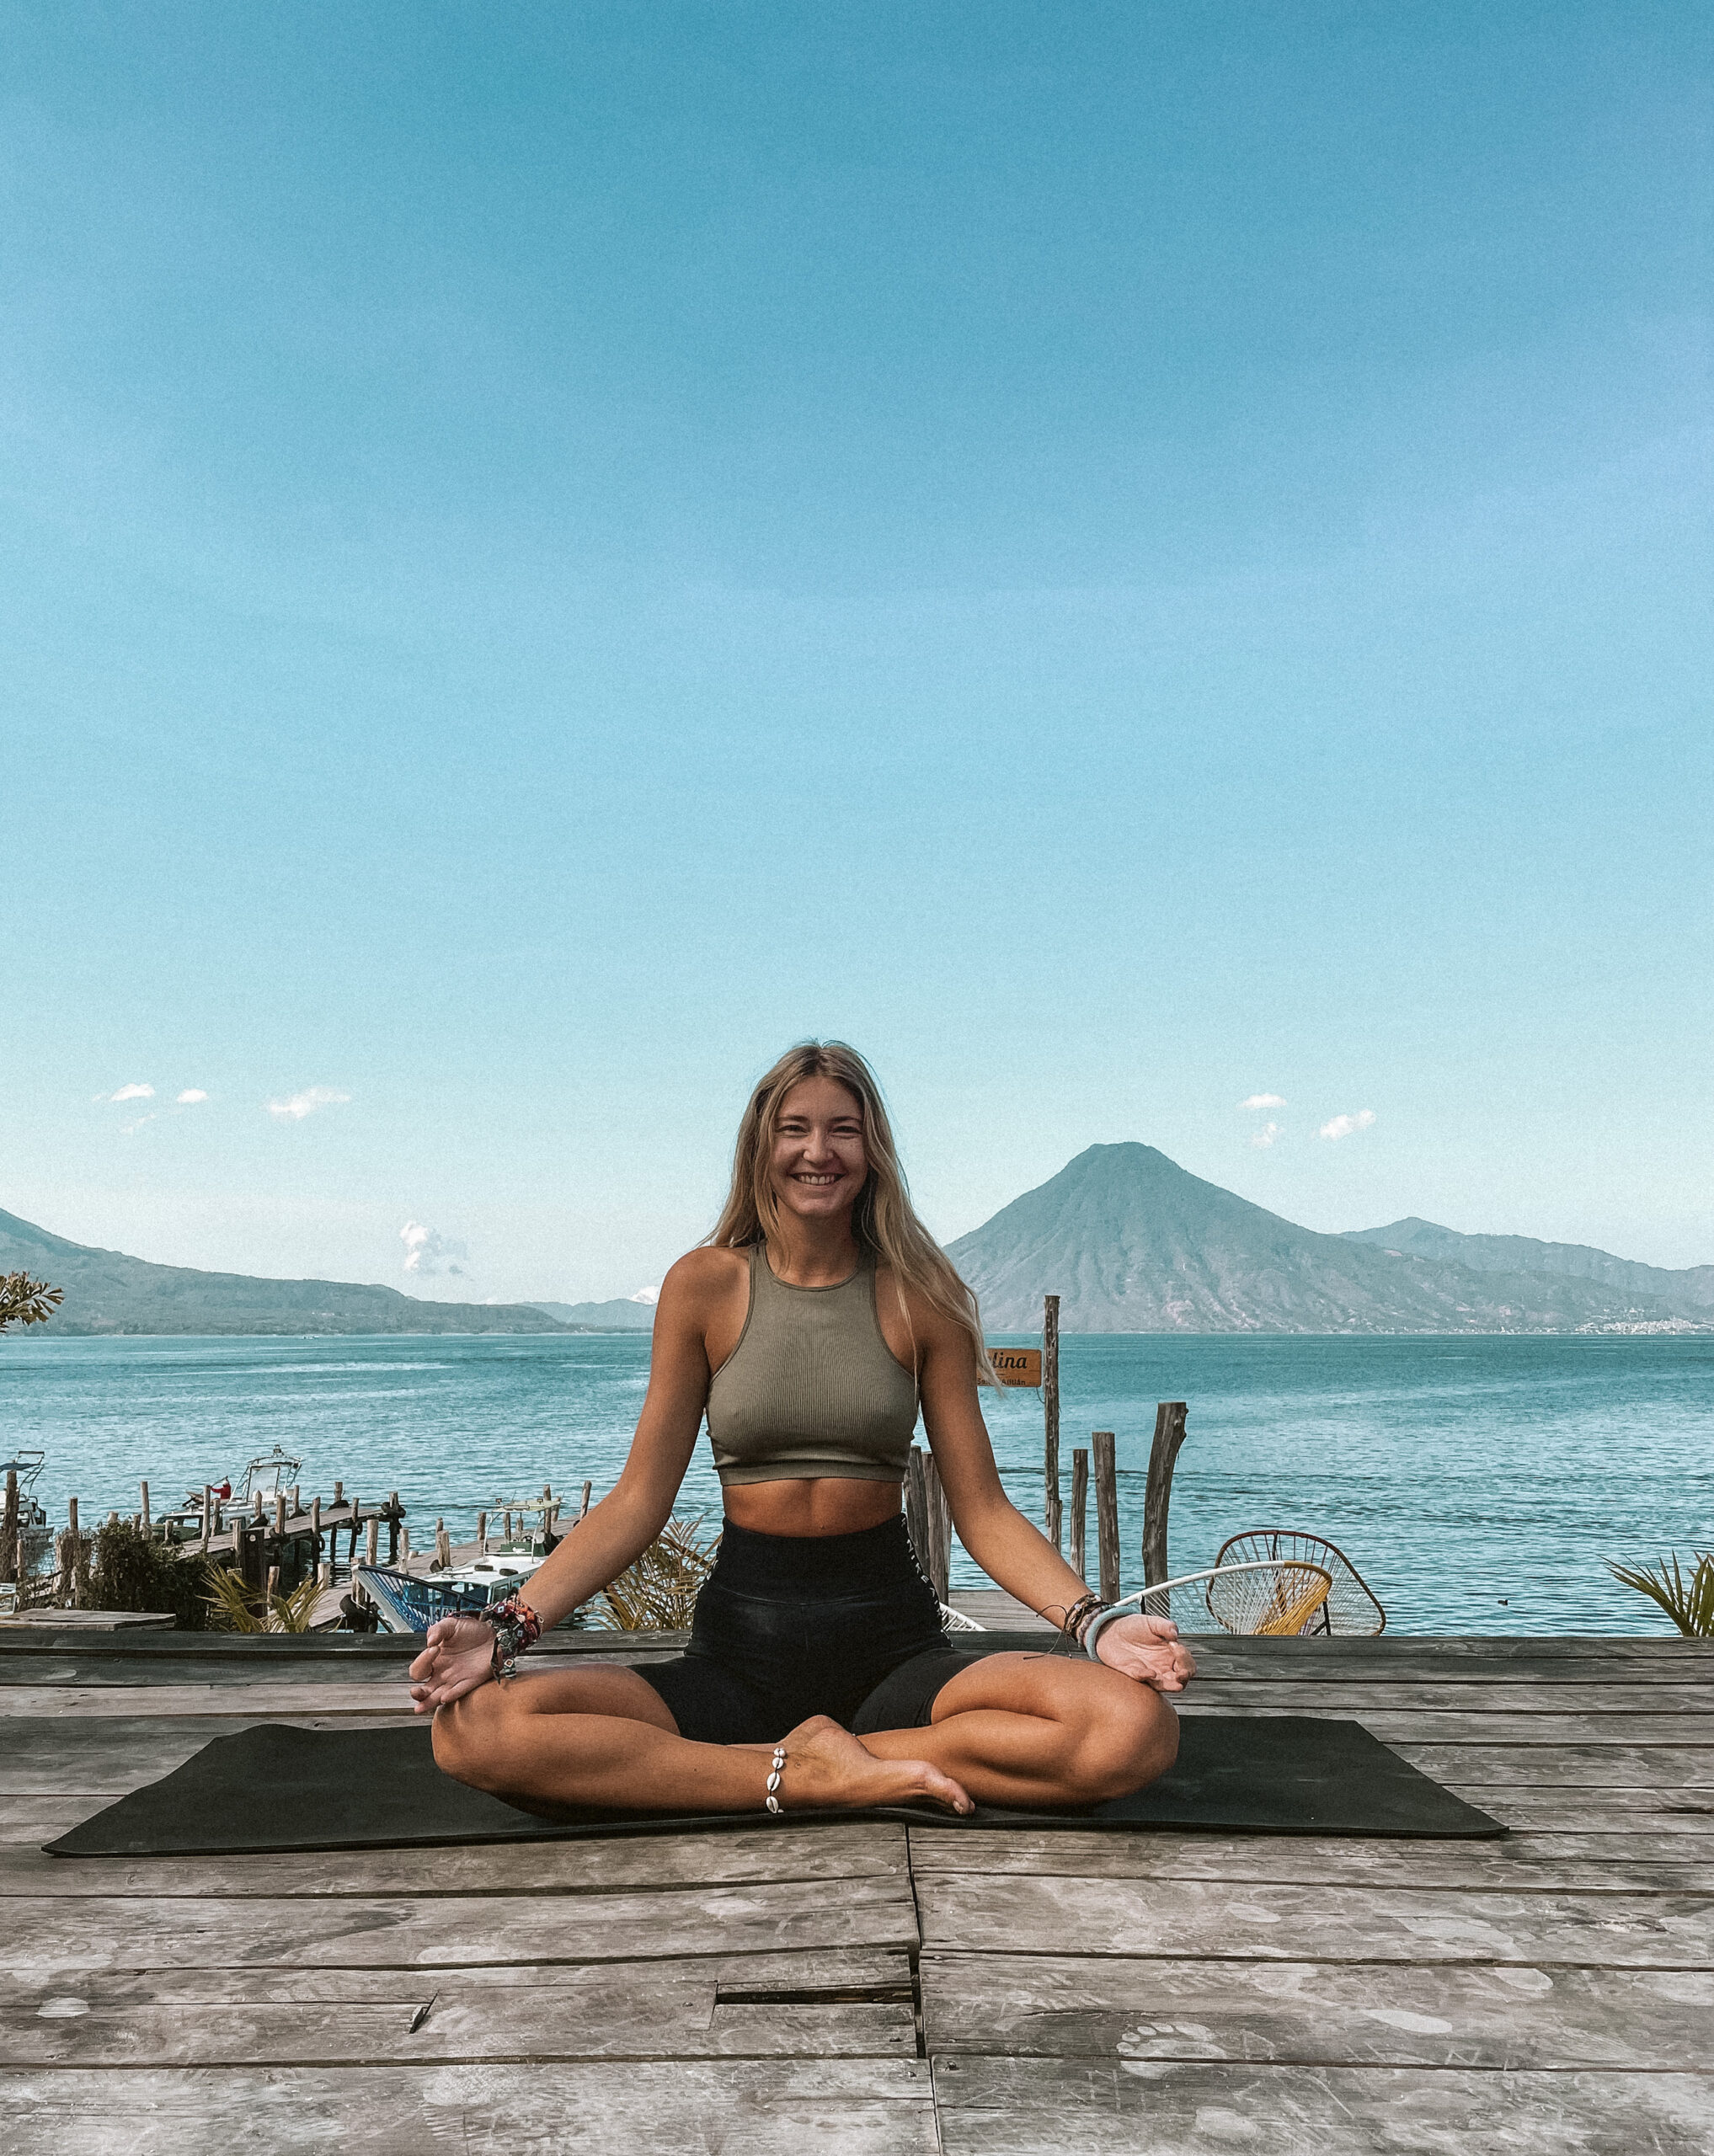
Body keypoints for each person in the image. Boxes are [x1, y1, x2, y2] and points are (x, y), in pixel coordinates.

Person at [414, 1042, 1194, 1817]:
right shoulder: (703, 1285)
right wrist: (505, 1631)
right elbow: (636, 1502)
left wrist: (1097, 1626)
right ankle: (818, 1775)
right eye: (794, 1129)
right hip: (735, 1655)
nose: (817, 1152)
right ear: (763, 1146)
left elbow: (982, 1509)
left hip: (893, 1648)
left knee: (1130, 1729)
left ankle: (770, 1770)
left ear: (872, 1148)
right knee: (474, 1732)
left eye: (842, 1130)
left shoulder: (924, 1295)